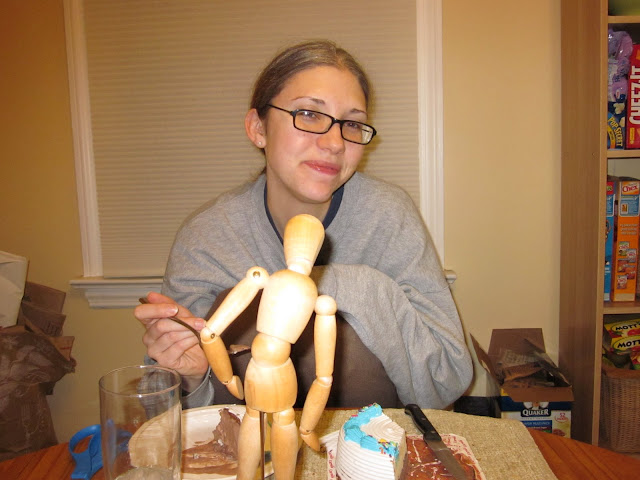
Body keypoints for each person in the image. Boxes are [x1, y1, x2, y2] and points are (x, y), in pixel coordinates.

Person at [134, 39, 472, 411]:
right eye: (309, 114)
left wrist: (357, 288)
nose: (334, 143)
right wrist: (191, 379)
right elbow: (162, 408)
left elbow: (446, 381)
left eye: (352, 124)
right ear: (258, 128)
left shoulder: (389, 217)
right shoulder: (209, 237)